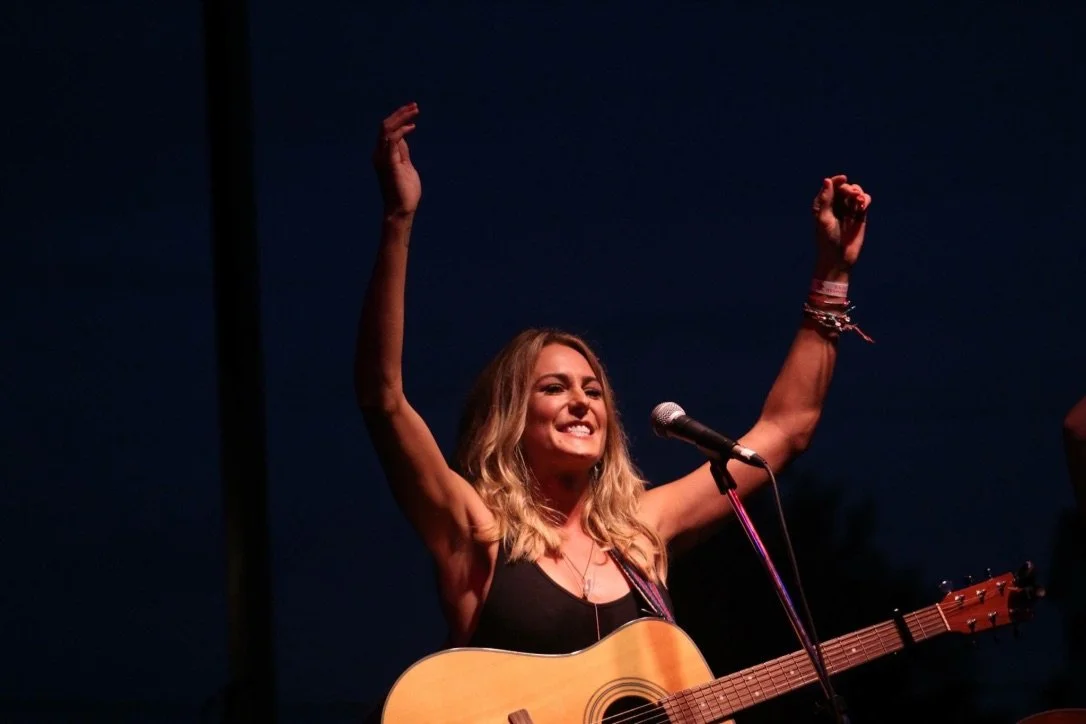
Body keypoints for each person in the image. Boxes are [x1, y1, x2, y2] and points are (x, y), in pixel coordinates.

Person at [355, 100, 873, 700]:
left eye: (593, 390)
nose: (581, 403)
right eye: (554, 388)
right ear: (511, 421)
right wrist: (398, 218)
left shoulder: (639, 535)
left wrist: (831, 273)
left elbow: (786, 428)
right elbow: (383, 397)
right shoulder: (479, 532)